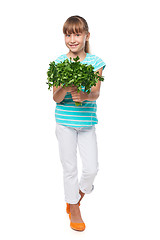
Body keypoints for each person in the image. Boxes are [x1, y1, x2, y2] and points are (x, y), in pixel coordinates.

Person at [53, 15, 106, 231]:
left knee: (91, 168)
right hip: (65, 122)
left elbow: (96, 93)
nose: (72, 39)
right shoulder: (58, 62)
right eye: (68, 34)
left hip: (86, 123)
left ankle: (80, 192)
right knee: (70, 168)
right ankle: (73, 206)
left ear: (86, 35)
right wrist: (65, 88)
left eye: (77, 33)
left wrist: (84, 96)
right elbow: (56, 98)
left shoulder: (96, 62)